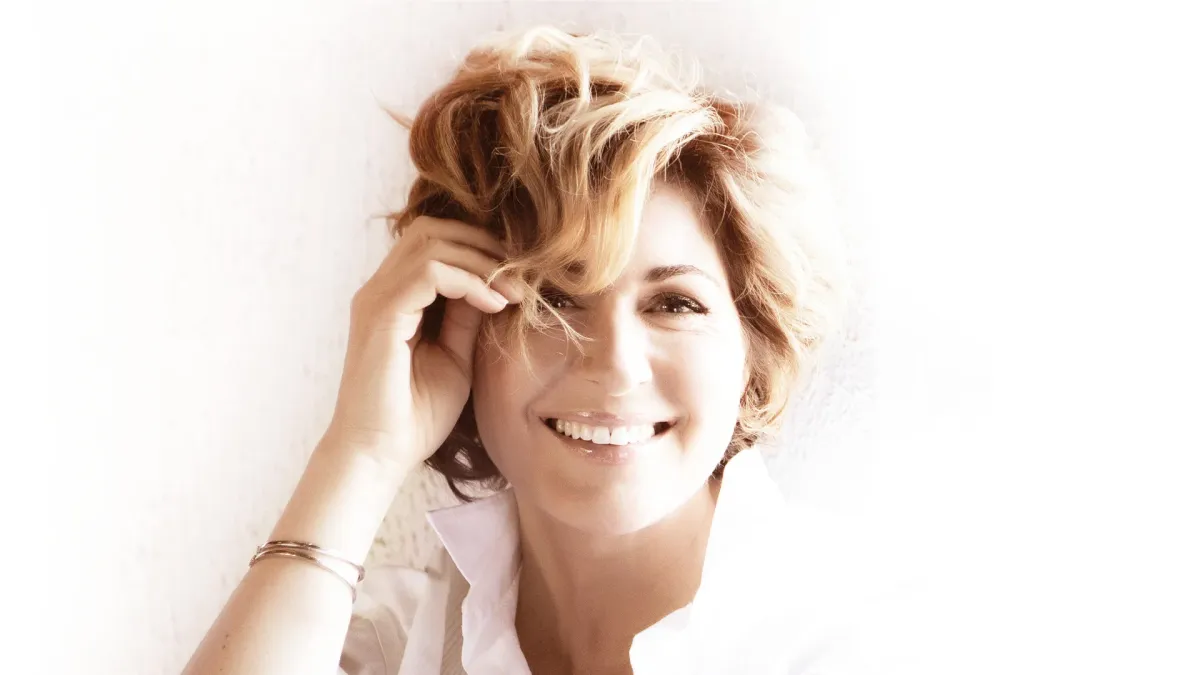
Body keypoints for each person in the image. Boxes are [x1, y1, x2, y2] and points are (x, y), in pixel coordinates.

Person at [183, 25, 860, 675]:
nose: (615, 366)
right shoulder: (390, 645)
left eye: (675, 304)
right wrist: (362, 451)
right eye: (553, 299)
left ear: (752, 350)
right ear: (459, 328)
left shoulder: (857, 642)